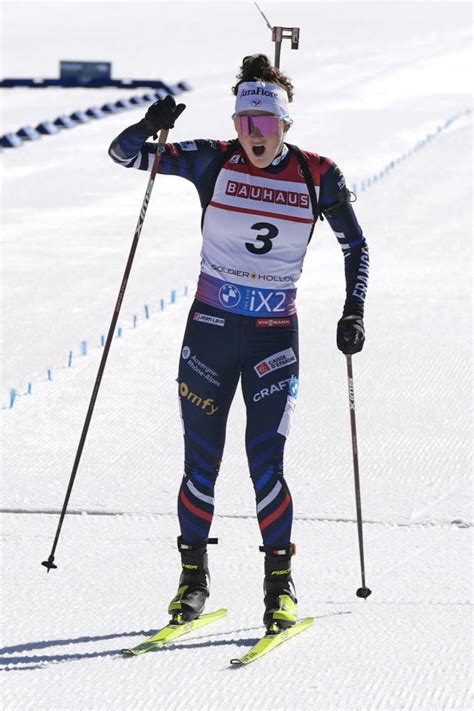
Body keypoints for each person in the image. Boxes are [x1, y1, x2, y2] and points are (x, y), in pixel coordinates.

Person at [108, 54, 369, 634]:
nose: (253, 136)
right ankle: (192, 581)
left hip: (274, 338)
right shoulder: (212, 158)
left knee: (265, 464)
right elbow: (123, 155)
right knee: (201, 465)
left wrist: (354, 311)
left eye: (265, 125)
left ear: (285, 127)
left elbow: (357, 246)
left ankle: (280, 586)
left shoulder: (317, 173)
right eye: (244, 123)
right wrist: (147, 128)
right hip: (210, 333)